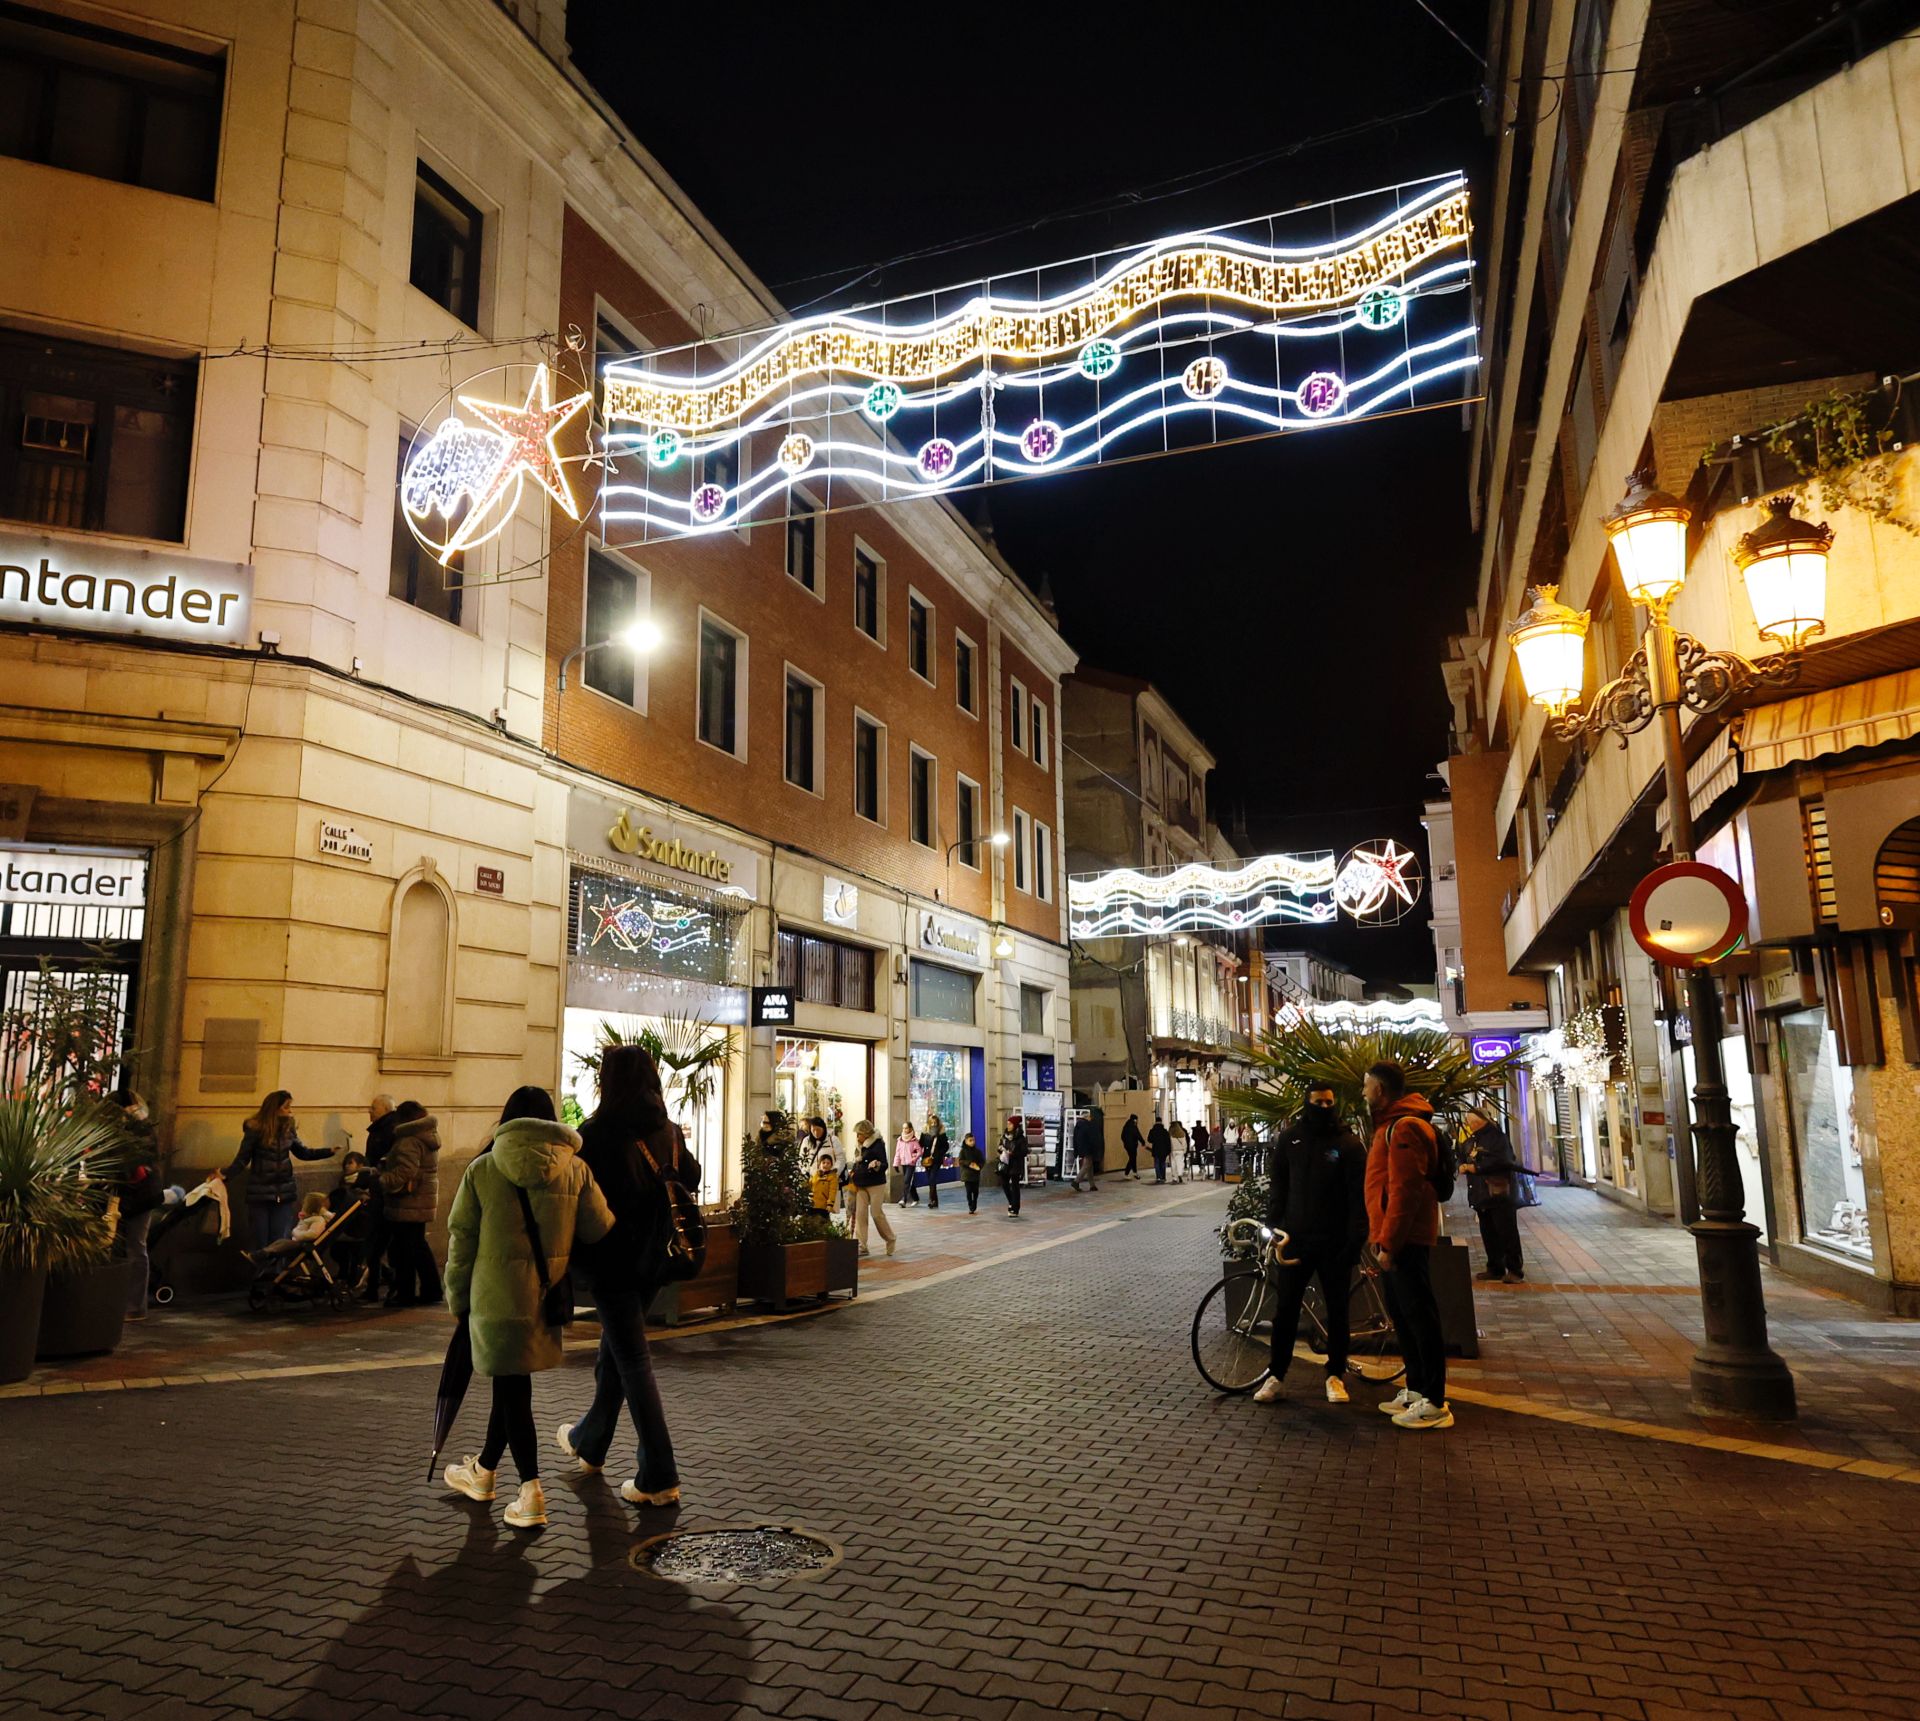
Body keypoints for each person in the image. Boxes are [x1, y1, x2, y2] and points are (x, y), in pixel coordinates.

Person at [443, 1086, 613, 1530]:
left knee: (512, 1390)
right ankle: (482, 1471)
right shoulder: (574, 1169)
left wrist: (457, 1299)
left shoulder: (482, 1169)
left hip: (494, 1300)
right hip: (544, 1299)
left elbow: (461, 1241)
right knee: (512, 1385)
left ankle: (530, 1491)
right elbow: (599, 1230)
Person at [559, 1046, 689, 1509]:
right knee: (614, 1355)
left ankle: (659, 1473)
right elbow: (689, 1175)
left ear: (608, 1082)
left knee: (632, 1361)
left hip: (610, 1263)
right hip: (656, 1260)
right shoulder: (667, 1131)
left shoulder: (595, 1134)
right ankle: (589, 1440)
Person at [1252, 1083, 1368, 1406]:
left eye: (1329, 1101)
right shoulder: (1290, 1140)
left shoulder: (1349, 1144)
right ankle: (1276, 1375)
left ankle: (1335, 1375)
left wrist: (1354, 1240)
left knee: (1338, 1311)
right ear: (1307, 1102)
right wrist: (1274, 1226)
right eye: (1318, 1101)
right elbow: (1279, 1186)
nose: (1324, 1106)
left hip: (1335, 1244)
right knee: (1285, 1311)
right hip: (1295, 1242)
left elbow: (1358, 1199)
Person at [1363, 1061, 1451, 1431]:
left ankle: (1434, 1401)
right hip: (1395, 1237)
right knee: (1404, 1316)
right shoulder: (1392, 1125)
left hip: (1405, 1240)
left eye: (1366, 1086)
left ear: (1380, 1090)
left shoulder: (1405, 1127)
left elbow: (1404, 1191)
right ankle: (1416, 1389)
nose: (1363, 1093)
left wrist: (1389, 1243)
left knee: (1419, 1317)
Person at [224, 1091, 335, 1253]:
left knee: (279, 1241)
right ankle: (261, 1274)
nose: (290, 1111)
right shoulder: (255, 1129)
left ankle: (276, 1274)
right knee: (260, 1241)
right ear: (274, 1108)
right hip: (260, 1193)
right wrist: (225, 1175)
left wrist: (328, 1151)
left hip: (284, 1193)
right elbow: (242, 1158)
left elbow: (303, 1152)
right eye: (286, 1107)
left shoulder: (288, 1128)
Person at [379, 1101, 443, 1307]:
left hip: (407, 1202)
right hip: (420, 1200)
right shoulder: (426, 1136)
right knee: (416, 1246)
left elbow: (406, 1171)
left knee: (405, 1248)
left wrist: (383, 1179)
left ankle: (406, 1293)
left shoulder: (409, 1140)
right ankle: (431, 1289)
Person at [110, 1088, 163, 1320]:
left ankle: (134, 1305)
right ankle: (126, 1303)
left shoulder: (137, 1127)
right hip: (134, 1193)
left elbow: (137, 1162)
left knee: (135, 1246)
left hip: (139, 1195)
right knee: (129, 1247)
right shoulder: (137, 1124)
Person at [1462, 1108, 1526, 1284]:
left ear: (1477, 1122)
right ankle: (1495, 1267)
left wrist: (1477, 1168)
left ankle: (1514, 1269)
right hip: (1482, 1194)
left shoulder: (1497, 1138)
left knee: (1506, 1232)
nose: (1468, 1124)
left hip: (1499, 1193)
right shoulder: (1476, 1139)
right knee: (1488, 1232)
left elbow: (1503, 1161)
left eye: (1469, 1121)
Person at [361, 1094, 398, 1303]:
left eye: (373, 1107)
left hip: (384, 1195)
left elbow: (382, 1163)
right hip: (379, 1192)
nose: (369, 1110)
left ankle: (379, 1285)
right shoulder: (380, 1129)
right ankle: (380, 1284)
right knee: (377, 1243)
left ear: (385, 1109)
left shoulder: (389, 1131)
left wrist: (372, 1177)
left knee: (377, 1242)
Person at [328, 1151, 377, 1293]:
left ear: (361, 1165)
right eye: (345, 1163)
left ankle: (358, 1275)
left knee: (358, 1251)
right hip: (346, 1224)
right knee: (338, 1249)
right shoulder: (343, 1184)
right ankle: (345, 1274)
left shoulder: (365, 1182)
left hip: (359, 1225)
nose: (347, 1167)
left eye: (350, 1163)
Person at [847, 1121, 897, 1257]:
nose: (857, 1137)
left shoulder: (878, 1145)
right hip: (860, 1183)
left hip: (876, 1183)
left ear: (866, 1134)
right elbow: (857, 1162)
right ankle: (862, 1246)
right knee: (860, 1215)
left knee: (876, 1213)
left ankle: (890, 1238)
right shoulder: (859, 1146)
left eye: (859, 1134)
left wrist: (877, 1165)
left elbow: (885, 1164)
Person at [997, 1118, 1027, 1218]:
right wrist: (1001, 1149)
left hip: (1015, 1164)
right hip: (1005, 1164)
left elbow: (1024, 1152)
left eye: (1010, 1124)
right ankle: (1011, 1202)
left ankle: (1015, 1208)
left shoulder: (1021, 1138)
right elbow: (1000, 1146)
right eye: (1007, 1123)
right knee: (1004, 1183)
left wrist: (1013, 1154)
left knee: (1015, 1186)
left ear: (1015, 1125)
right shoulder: (1004, 1136)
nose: (1008, 1125)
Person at [919, 1114, 950, 1209]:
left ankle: (931, 1200)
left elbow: (946, 1146)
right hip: (927, 1159)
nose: (933, 1124)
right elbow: (920, 1144)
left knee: (932, 1178)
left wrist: (939, 1154)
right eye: (931, 1122)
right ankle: (935, 1200)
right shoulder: (925, 1133)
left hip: (936, 1160)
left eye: (935, 1123)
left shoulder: (941, 1133)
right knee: (930, 1180)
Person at [1070, 1111, 1100, 1192]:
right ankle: (1076, 1181)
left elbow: (1075, 1138)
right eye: (1090, 1117)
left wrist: (1076, 1150)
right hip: (1088, 1148)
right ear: (1087, 1117)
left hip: (1081, 1148)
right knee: (1087, 1165)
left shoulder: (1078, 1125)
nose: (1090, 1118)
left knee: (1090, 1166)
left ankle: (1092, 1185)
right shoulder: (1087, 1126)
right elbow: (1091, 1138)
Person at [894, 1122, 923, 1206]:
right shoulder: (900, 1140)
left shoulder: (914, 1140)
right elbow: (897, 1153)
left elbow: (919, 1151)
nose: (904, 1130)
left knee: (907, 1180)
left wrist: (914, 1158)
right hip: (903, 1163)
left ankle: (904, 1199)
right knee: (909, 1181)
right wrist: (896, 1164)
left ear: (910, 1129)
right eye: (903, 1128)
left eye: (906, 1128)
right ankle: (916, 1198)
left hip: (911, 1164)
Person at [957, 1131, 986, 1213]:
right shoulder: (963, 1151)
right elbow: (960, 1161)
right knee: (969, 1191)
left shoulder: (977, 1151)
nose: (972, 1142)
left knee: (975, 1191)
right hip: (967, 1175)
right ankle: (970, 1205)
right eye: (970, 1140)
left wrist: (979, 1166)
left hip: (975, 1175)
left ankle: (974, 1202)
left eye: (973, 1140)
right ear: (966, 1141)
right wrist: (969, 1164)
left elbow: (982, 1161)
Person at [809, 1147, 840, 1218]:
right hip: (813, 1204)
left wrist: (830, 1204)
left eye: (828, 1163)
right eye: (823, 1163)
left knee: (823, 1223)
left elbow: (832, 1191)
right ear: (819, 1164)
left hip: (823, 1205)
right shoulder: (815, 1174)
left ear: (831, 1165)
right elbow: (810, 1185)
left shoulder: (832, 1177)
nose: (825, 1165)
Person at [1148, 1116, 1172, 1183]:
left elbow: (1149, 1139)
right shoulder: (1164, 1131)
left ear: (1155, 1122)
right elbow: (1168, 1141)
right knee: (1163, 1163)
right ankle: (1163, 1177)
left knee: (1157, 1163)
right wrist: (1169, 1150)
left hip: (1156, 1149)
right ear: (1161, 1122)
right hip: (1163, 1150)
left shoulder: (1152, 1131)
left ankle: (1158, 1177)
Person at [1120, 1113, 1143, 1180]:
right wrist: (1142, 1141)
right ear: (1135, 1120)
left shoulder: (1126, 1125)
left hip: (1127, 1145)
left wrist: (1125, 1142)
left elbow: (1122, 1136)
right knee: (1132, 1158)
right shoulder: (1133, 1126)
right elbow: (1137, 1134)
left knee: (1132, 1158)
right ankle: (1129, 1173)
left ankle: (1134, 1172)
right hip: (1132, 1145)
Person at [1169, 1119, 1190, 1184]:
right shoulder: (1182, 1133)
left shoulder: (1170, 1134)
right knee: (1180, 1163)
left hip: (1173, 1150)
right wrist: (1185, 1150)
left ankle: (1174, 1178)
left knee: (1173, 1164)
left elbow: (1169, 1143)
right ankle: (1180, 1175)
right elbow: (1184, 1143)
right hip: (1180, 1151)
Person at [1192, 1117, 1212, 1182]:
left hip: (1199, 1145)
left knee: (1199, 1156)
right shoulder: (1203, 1129)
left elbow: (1193, 1136)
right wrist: (1205, 1141)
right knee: (1203, 1155)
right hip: (1203, 1145)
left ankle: (1201, 1166)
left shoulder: (1195, 1129)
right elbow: (1207, 1135)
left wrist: (1197, 1139)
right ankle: (1203, 1166)